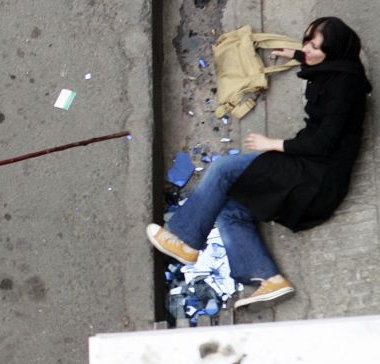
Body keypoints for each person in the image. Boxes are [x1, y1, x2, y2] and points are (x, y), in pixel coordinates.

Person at [147, 17, 372, 311]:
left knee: (224, 169)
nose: (306, 49)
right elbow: (320, 61)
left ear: (333, 51)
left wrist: (272, 144)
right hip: (310, 169)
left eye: (314, 47)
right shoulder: (339, 64)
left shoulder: (344, 88)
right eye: (306, 41)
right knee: (229, 210)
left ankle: (185, 240)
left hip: (316, 181)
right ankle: (268, 278)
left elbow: (322, 144)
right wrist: (299, 54)